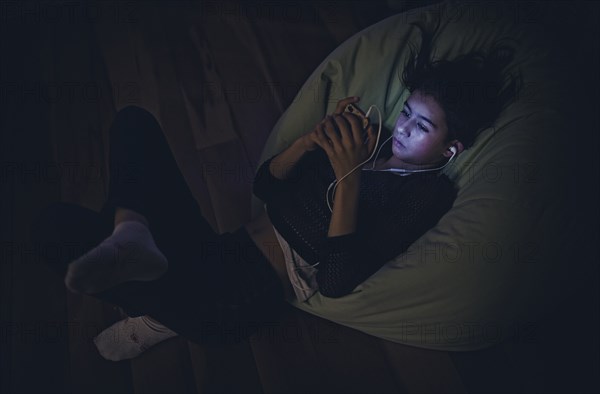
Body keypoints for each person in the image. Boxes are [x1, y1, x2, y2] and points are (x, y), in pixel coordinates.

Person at [29, 24, 520, 361]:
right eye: (407, 113)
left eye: (422, 126)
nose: (404, 128)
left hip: (240, 297)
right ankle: (135, 239)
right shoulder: (368, 141)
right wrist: (315, 140)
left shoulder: (425, 194)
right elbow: (266, 184)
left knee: (54, 229)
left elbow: (337, 277)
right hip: (219, 250)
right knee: (132, 122)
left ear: (451, 149)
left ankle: (158, 307)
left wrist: (347, 175)